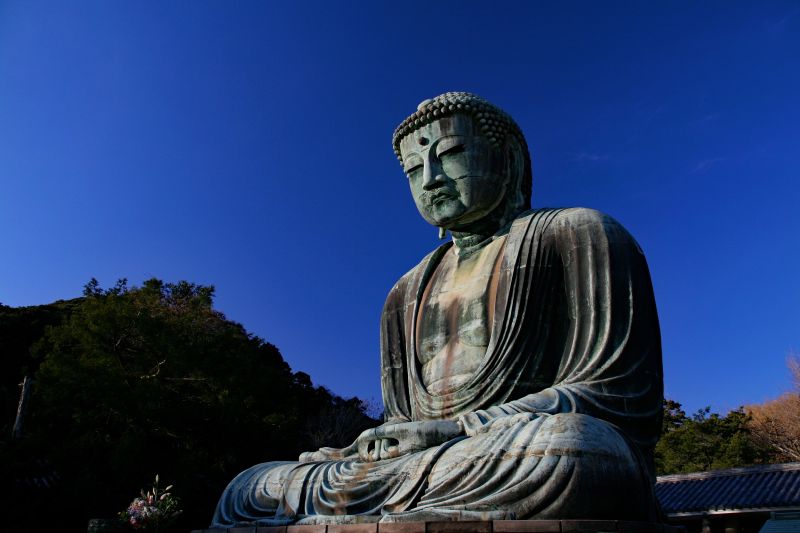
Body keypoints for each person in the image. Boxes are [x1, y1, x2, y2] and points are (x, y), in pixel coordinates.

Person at [211, 92, 663, 527]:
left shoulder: (579, 233)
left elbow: (616, 394)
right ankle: (379, 506)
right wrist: (364, 451)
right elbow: (402, 422)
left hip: (515, 448)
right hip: (432, 462)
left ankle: (380, 508)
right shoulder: (402, 293)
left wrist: (460, 429)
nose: (430, 179)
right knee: (250, 487)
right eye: (412, 169)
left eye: (449, 153)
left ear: (509, 159)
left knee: (575, 450)